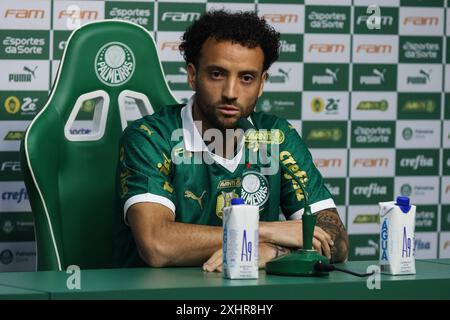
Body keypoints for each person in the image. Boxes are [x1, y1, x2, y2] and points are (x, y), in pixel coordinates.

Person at [114, 10, 348, 271]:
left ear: (261, 84)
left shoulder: (277, 137)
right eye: (217, 74)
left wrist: (275, 251)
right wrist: (259, 233)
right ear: (192, 75)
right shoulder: (151, 137)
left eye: (246, 78)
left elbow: (336, 240)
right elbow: (157, 245)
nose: (231, 93)